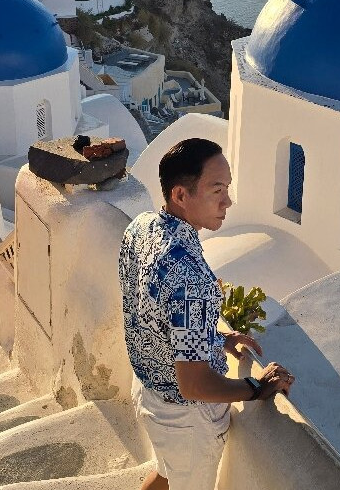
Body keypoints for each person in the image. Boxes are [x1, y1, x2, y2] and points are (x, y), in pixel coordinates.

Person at [119, 138, 295, 490]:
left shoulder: (141, 228)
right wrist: (256, 388)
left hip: (149, 391)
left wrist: (215, 338)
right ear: (181, 195)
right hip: (185, 420)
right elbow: (195, 383)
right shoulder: (190, 277)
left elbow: (154, 313)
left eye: (227, 188)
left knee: (167, 474)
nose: (227, 201)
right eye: (217, 190)